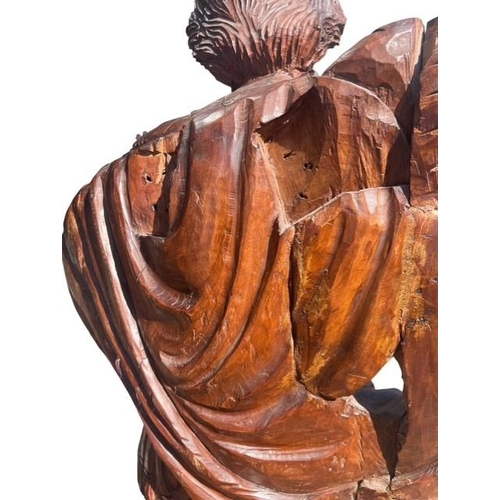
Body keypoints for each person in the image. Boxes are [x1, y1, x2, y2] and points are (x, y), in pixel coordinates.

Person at [63, 1, 437, 498]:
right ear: (316, 27)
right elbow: (383, 331)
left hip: (178, 461)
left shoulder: (100, 198)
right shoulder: (348, 121)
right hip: (323, 457)